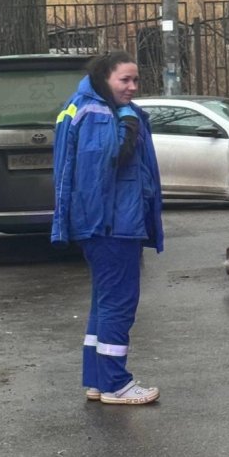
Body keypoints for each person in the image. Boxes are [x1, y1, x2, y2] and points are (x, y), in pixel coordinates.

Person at [52, 51, 164, 405]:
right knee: (118, 302)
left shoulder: (85, 106)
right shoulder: (102, 114)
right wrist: (129, 122)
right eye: (124, 80)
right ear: (104, 79)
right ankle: (117, 383)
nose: (132, 87)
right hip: (112, 225)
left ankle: (98, 380)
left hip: (101, 223)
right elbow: (110, 160)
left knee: (104, 303)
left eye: (135, 80)